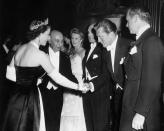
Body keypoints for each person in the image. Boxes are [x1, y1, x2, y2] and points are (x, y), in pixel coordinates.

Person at [2, 18, 88, 131]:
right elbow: (58, 78)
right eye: (47, 35)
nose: (48, 38)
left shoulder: (20, 49)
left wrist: (28, 80)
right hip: (31, 98)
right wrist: (78, 86)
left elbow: (9, 75)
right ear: (40, 34)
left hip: (16, 97)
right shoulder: (40, 54)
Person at [119, 6, 164, 131]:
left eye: (128, 21)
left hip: (140, 113)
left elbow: (152, 81)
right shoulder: (143, 40)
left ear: (136, 19)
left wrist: (141, 112)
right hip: (132, 107)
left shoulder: (152, 41)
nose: (126, 25)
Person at [95, 19, 131, 131]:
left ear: (111, 34)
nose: (98, 41)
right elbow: (105, 75)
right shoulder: (105, 50)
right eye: (97, 37)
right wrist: (91, 85)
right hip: (117, 97)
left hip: (131, 96)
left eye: (101, 37)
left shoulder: (129, 46)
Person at [39, 30, 78, 131]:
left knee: (56, 122)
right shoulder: (41, 53)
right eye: (57, 41)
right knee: (41, 121)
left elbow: (69, 76)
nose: (60, 44)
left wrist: (79, 85)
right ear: (49, 40)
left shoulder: (65, 57)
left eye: (61, 41)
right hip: (42, 92)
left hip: (58, 94)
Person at [82, 23, 111, 131]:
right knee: (89, 126)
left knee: (100, 127)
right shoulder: (88, 50)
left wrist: (91, 84)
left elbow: (106, 73)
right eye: (88, 32)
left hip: (100, 95)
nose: (89, 34)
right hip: (88, 95)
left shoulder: (104, 49)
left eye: (92, 32)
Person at [60, 28, 86, 131]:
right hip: (68, 83)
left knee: (77, 111)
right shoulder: (70, 51)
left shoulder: (84, 52)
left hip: (79, 82)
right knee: (67, 111)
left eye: (76, 38)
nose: (74, 40)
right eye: (72, 38)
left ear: (81, 39)